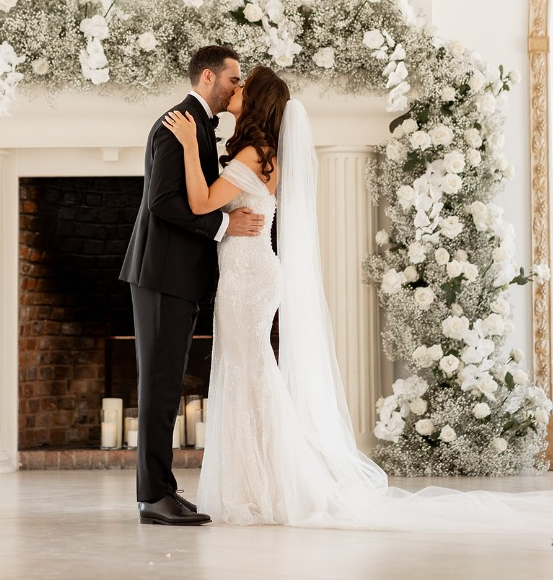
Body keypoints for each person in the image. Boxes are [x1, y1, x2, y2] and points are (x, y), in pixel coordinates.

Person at [164, 65, 553, 532]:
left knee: (249, 375)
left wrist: (190, 147)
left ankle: (268, 486)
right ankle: (263, 482)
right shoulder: (264, 154)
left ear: (258, 101)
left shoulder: (252, 153)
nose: (238, 89)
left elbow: (201, 203)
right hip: (251, 273)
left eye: (245, 86)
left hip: (248, 277)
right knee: (249, 373)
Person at [119, 45, 266, 526]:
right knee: (159, 388)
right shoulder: (177, 123)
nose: (237, 87)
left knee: (166, 385)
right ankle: (152, 497)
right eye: (233, 79)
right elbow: (163, 202)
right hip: (163, 275)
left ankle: (162, 490)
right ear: (208, 76)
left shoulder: (199, 125)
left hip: (174, 276)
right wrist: (225, 226)